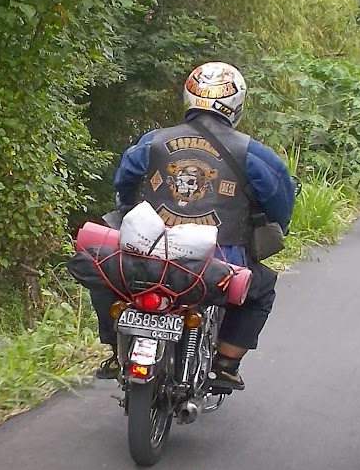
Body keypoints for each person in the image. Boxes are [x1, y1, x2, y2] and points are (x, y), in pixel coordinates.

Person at [96, 61, 295, 392]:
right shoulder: (253, 153)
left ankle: (116, 351)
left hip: (148, 254)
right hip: (220, 262)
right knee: (262, 288)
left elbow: (124, 183)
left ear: (189, 98)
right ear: (236, 106)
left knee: (104, 271)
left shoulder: (152, 141)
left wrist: (130, 210)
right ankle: (226, 364)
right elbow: (280, 206)